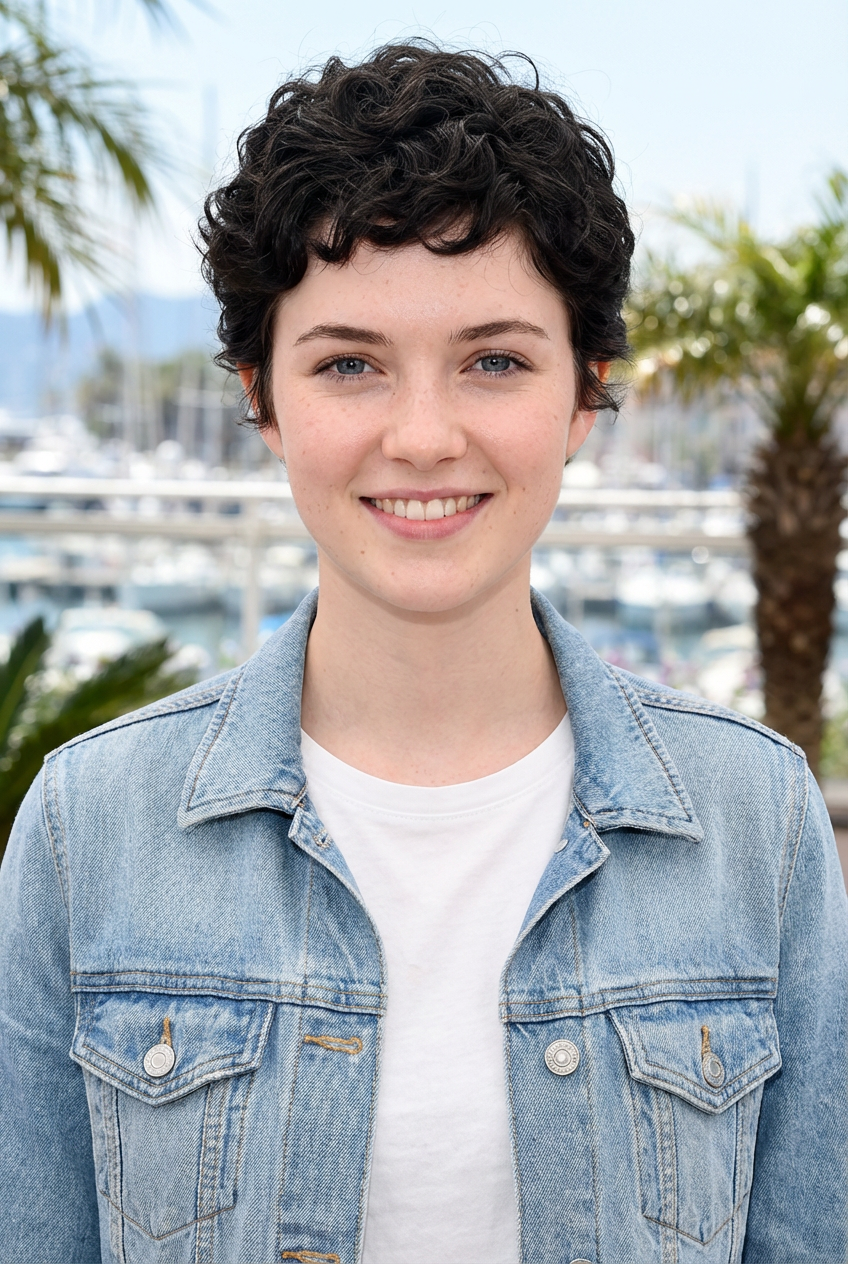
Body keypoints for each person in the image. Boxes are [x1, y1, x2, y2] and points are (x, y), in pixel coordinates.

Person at [1, 41, 846, 1264]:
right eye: (349, 364)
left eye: (493, 361)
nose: (423, 434)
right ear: (263, 401)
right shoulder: (91, 826)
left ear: (583, 396)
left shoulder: (754, 823)